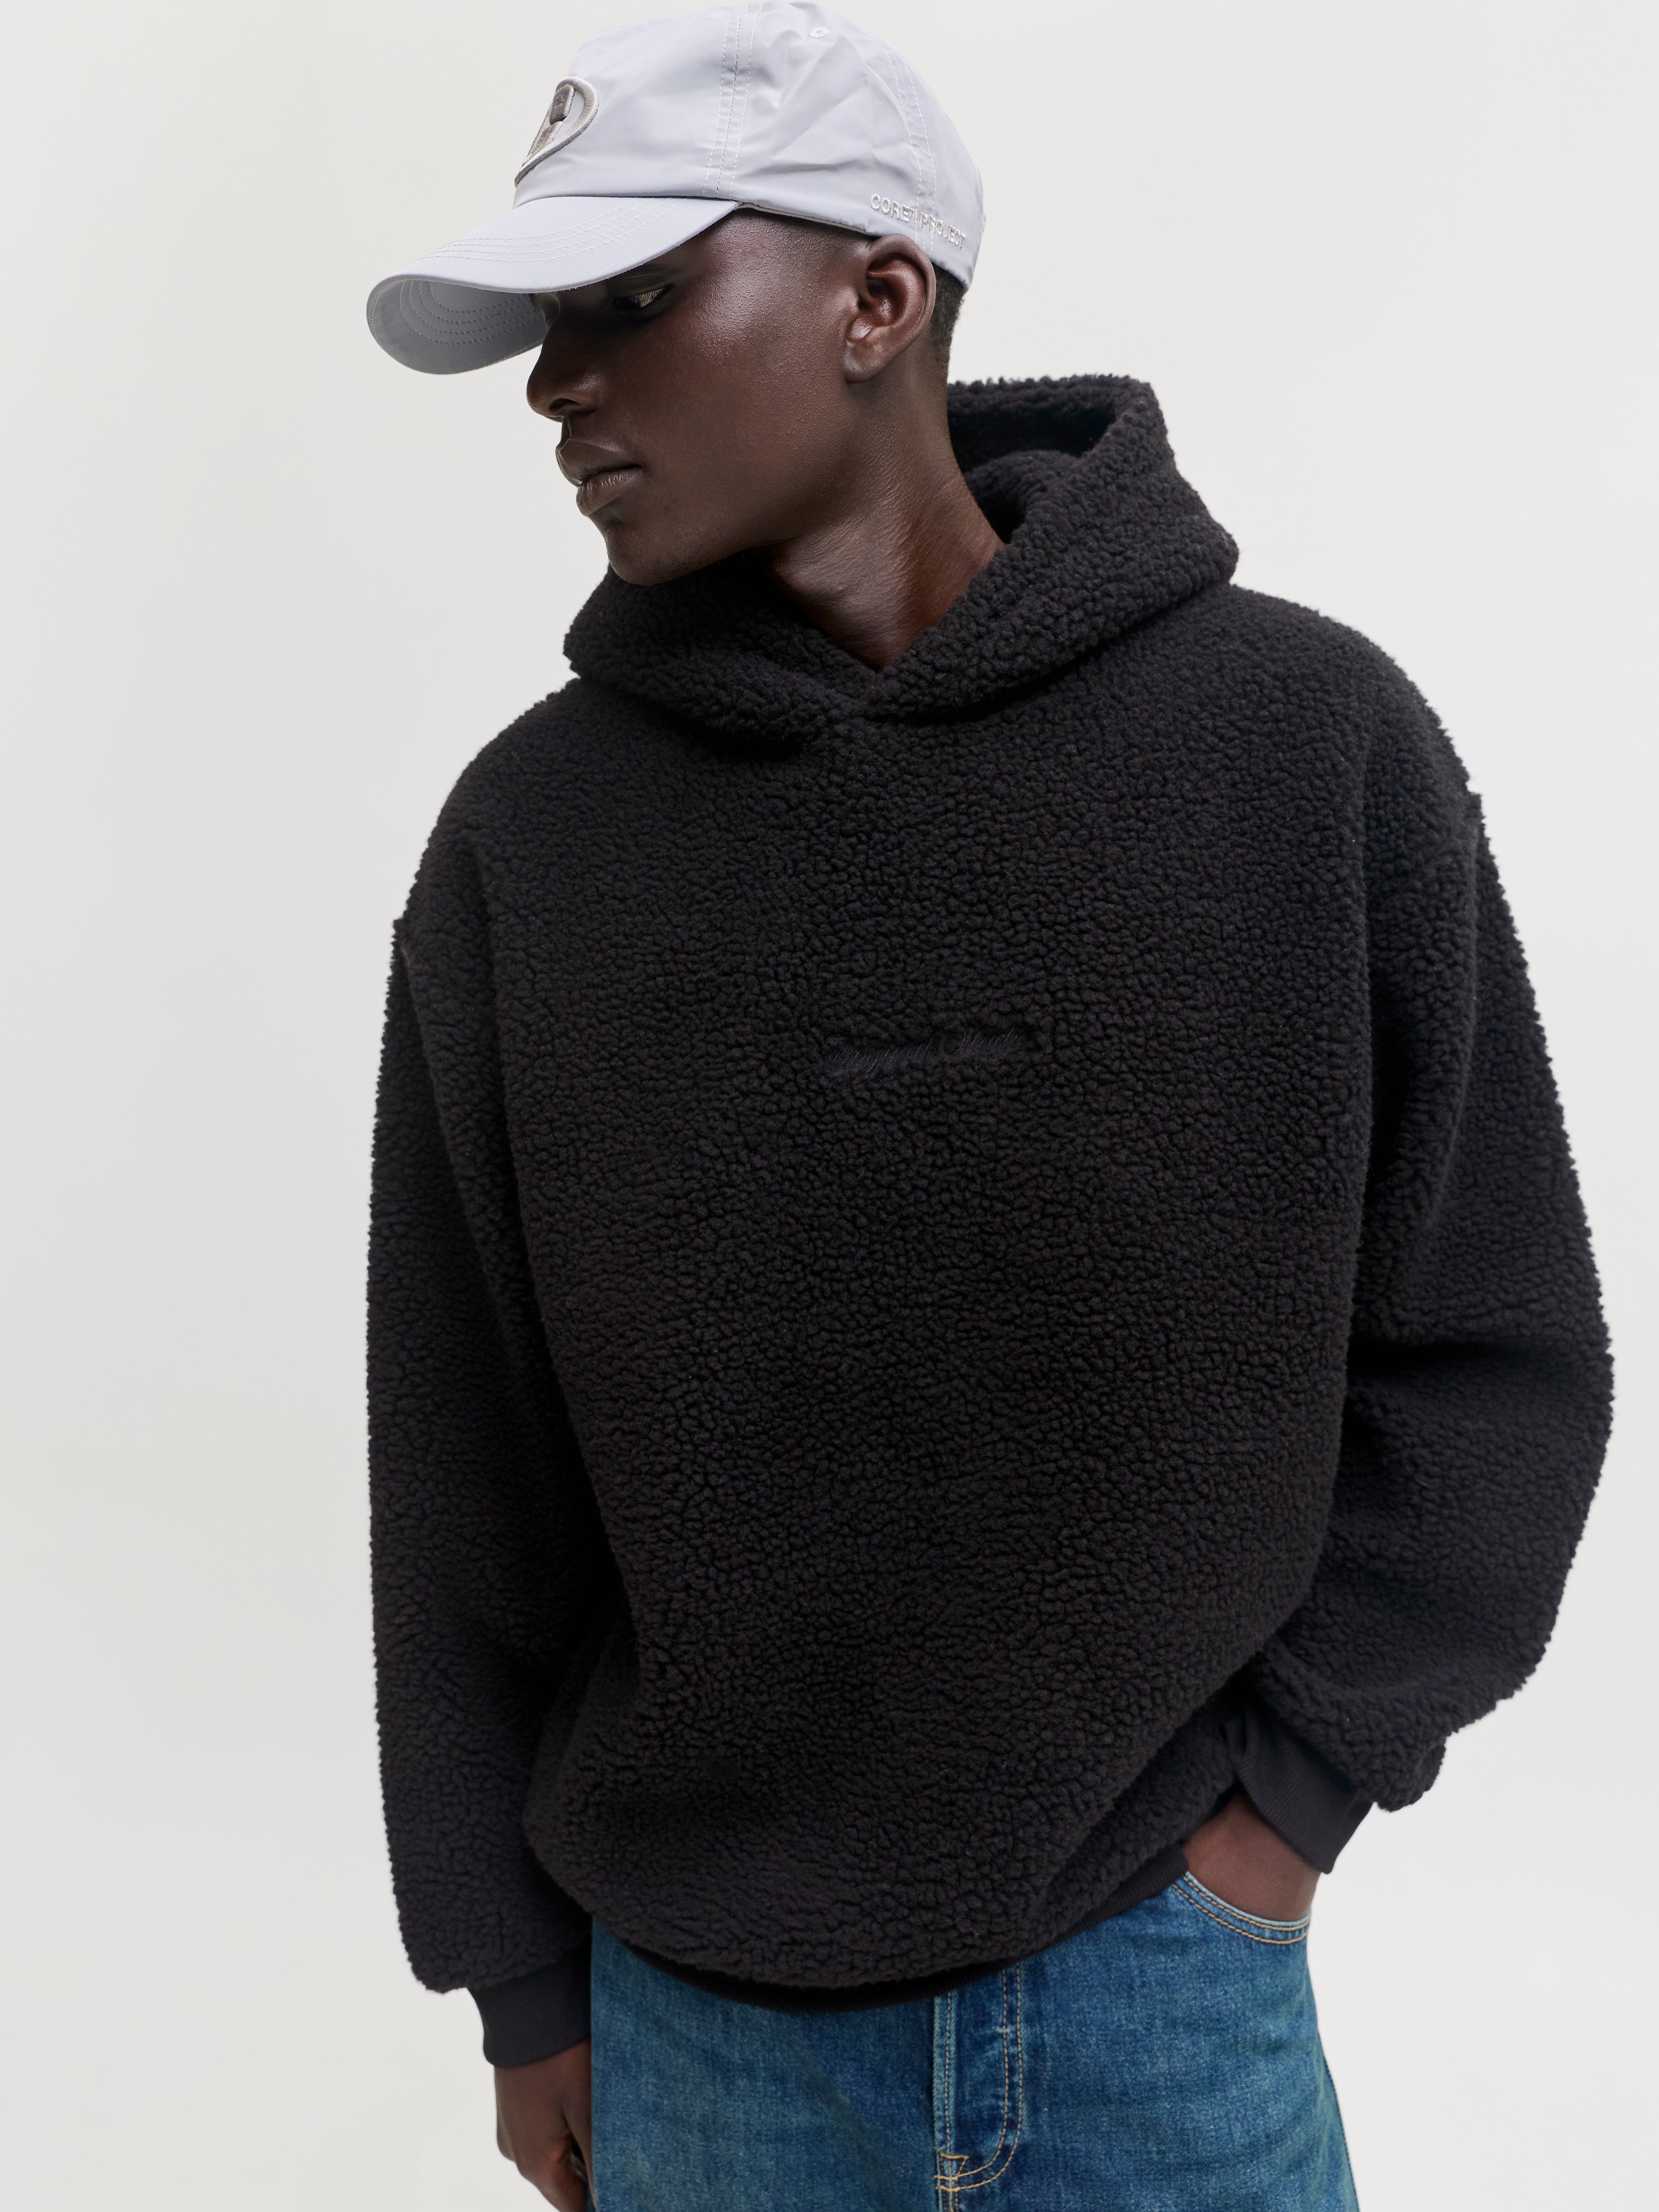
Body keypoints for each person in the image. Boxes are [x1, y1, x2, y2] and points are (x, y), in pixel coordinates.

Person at [364, 8, 1612, 2208]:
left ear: (877, 296)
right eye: (546, 327)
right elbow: (466, 1452)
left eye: (629, 299)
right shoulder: (527, 843)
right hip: (695, 2033)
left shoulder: (1302, 747)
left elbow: (1490, 1346)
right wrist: (515, 1975)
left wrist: (1281, 1811)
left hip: (1161, 1990)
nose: (558, 384)